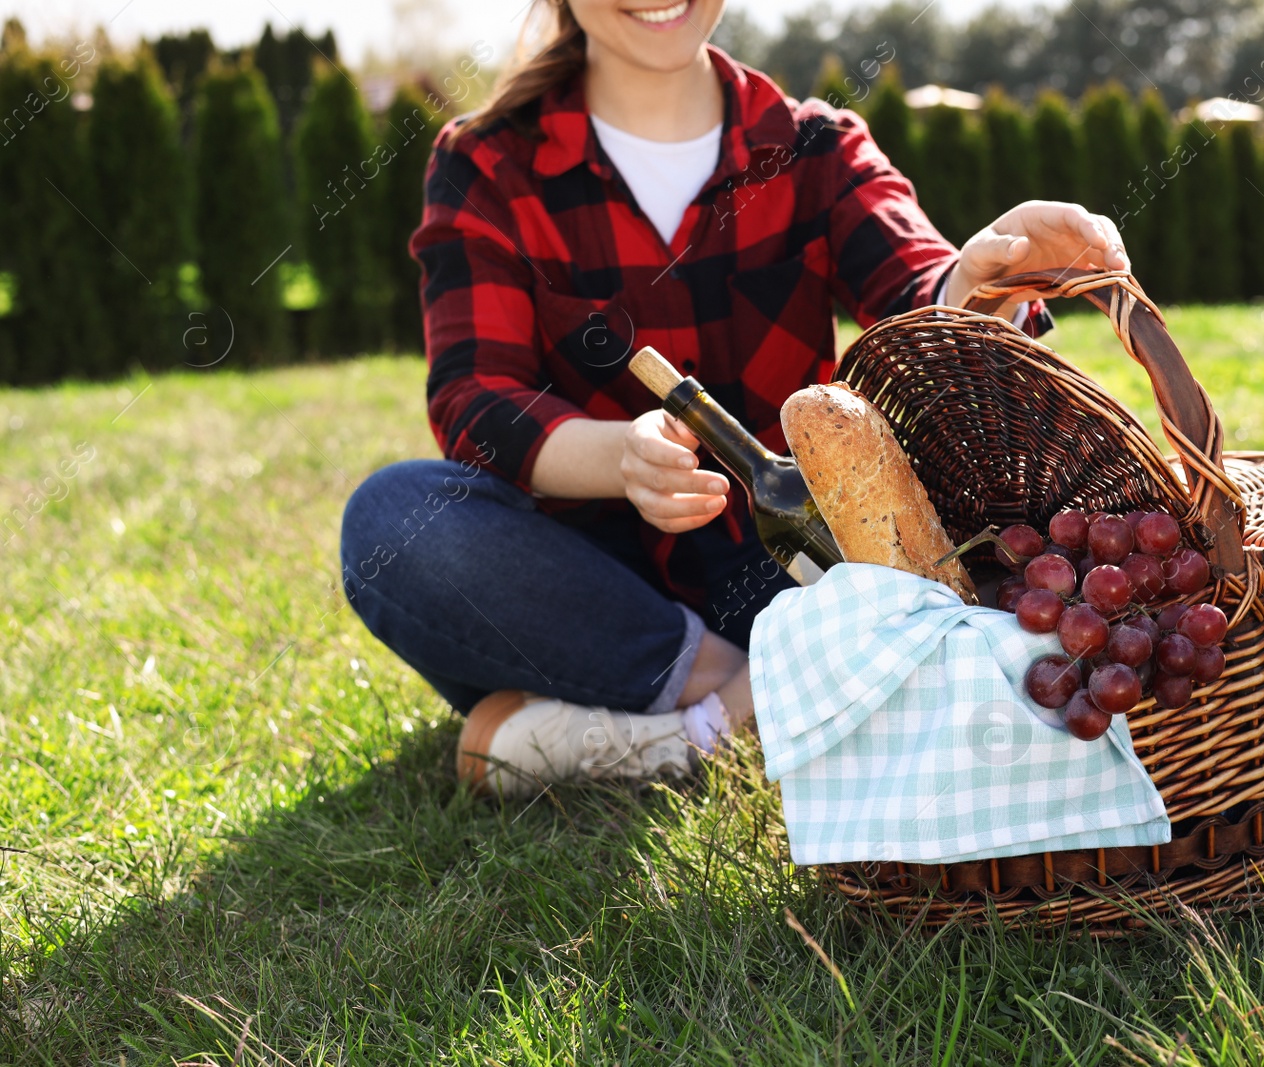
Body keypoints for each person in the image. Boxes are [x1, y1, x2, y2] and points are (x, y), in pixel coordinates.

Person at [340, 0, 1130, 798]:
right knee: (393, 521)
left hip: (797, 570)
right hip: (594, 589)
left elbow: (918, 302)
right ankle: (750, 690)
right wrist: (622, 457)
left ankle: (685, 737)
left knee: (1008, 551)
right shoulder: (486, 162)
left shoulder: (816, 146)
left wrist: (978, 281)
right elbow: (479, 403)